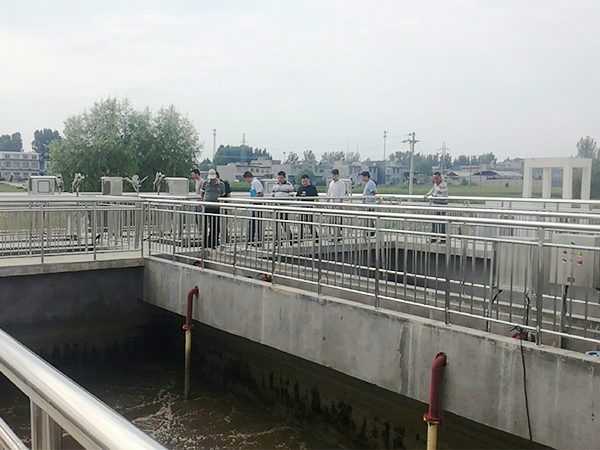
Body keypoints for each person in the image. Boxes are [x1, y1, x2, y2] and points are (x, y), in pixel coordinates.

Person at [200, 169, 226, 248]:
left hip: (216, 207)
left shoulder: (221, 184)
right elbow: (202, 192)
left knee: (215, 226)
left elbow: (223, 194)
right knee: (205, 226)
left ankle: (213, 243)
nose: (212, 180)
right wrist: (203, 201)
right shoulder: (205, 183)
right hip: (206, 206)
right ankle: (204, 243)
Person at [424, 171, 449, 240]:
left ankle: (443, 238)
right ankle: (433, 237)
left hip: (442, 204)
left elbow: (443, 195)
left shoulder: (443, 184)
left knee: (442, 222)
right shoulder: (436, 184)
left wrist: (435, 195)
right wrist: (427, 195)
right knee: (434, 221)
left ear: (440, 177)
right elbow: (432, 189)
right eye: (434, 178)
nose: (435, 180)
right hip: (436, 204)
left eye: (436, 178)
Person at [272, 171, 294, 242]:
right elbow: (273, 195)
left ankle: (290, 238)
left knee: (284, 223)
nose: (279, 179)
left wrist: (289, 204)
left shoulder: (289, 185)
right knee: (276, 224)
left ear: (284, 178)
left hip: (284, 206)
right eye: (278, 178)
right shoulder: (275, 185)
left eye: (281, 178)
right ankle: (277, 240)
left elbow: (292, 195)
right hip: (276, 206)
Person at [296, 174, 319, 241]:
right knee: (301, 224)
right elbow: (297, 197)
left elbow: (316, 197)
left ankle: (316, 238)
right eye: (303, 181)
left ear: (308, 181)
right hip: (302, 208)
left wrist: (317, 205)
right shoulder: (300, 188)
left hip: (309, 208)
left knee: (310, 224)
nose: (304, 183)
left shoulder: (312, 188)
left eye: (306, 181)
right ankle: (300, 238)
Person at [243, 171, 264, 243]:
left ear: (247, 178)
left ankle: (253, 239)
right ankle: (252, 238)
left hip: (258, 203)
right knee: (253, 222)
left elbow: (260, 193)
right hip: (255, 203)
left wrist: (253, 199)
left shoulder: (256, 182)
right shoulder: (254, 183)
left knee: (254, 222)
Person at [326, 169, 346, 239]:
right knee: (331, 221)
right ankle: (334, 235)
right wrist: (327, 202)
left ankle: (337, 236)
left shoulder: (341, 184)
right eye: (332, 175)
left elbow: (342, 195)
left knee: (337, 221)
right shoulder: (331, 183)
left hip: (337, 205)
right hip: (331, 205)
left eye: (335, 176)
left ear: (337, 175)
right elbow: (329, 193)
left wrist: (339, 204)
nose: (333, 177)